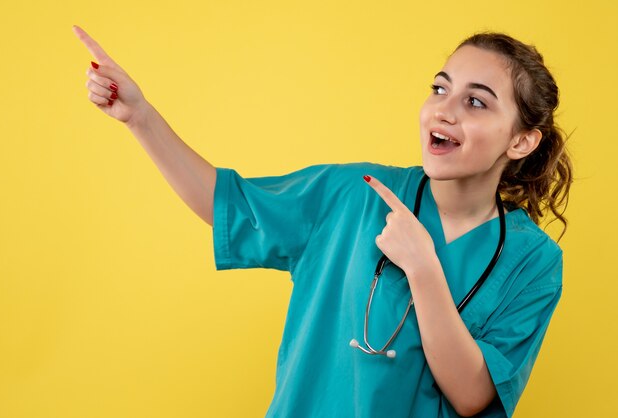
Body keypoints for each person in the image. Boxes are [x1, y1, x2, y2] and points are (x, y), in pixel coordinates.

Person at [73, 25, 572, 417]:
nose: (444, 110)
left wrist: (422, 267)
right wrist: (139, 116)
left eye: (476, 101)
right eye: (440, 89)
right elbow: (229, 205)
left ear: (521, 141)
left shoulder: (533, 262)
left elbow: (471, 396)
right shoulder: (353, 195)